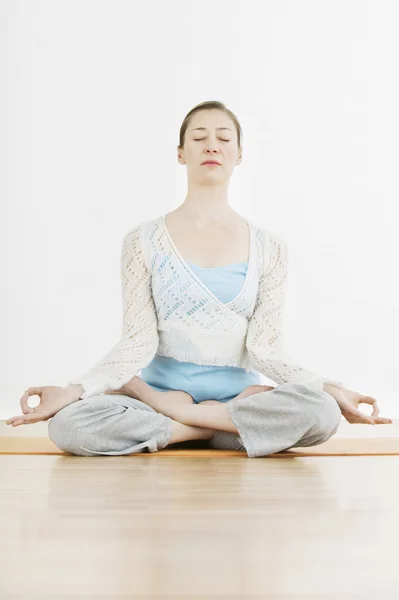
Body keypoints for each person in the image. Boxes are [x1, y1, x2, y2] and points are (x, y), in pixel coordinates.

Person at [6, 101, 392, 458]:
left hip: (238, 399)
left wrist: (327, 387)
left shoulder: (269, 248)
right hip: (168, 398)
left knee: (321, 412)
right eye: (198, 137)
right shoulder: (142, 241)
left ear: (238, 155)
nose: (212, 146)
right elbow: (137, 341)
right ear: (181, 153)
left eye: (224, 138)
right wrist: (76, 390)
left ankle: (182, 425)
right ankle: (205, 427)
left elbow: (266, 349)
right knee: (70, 426)